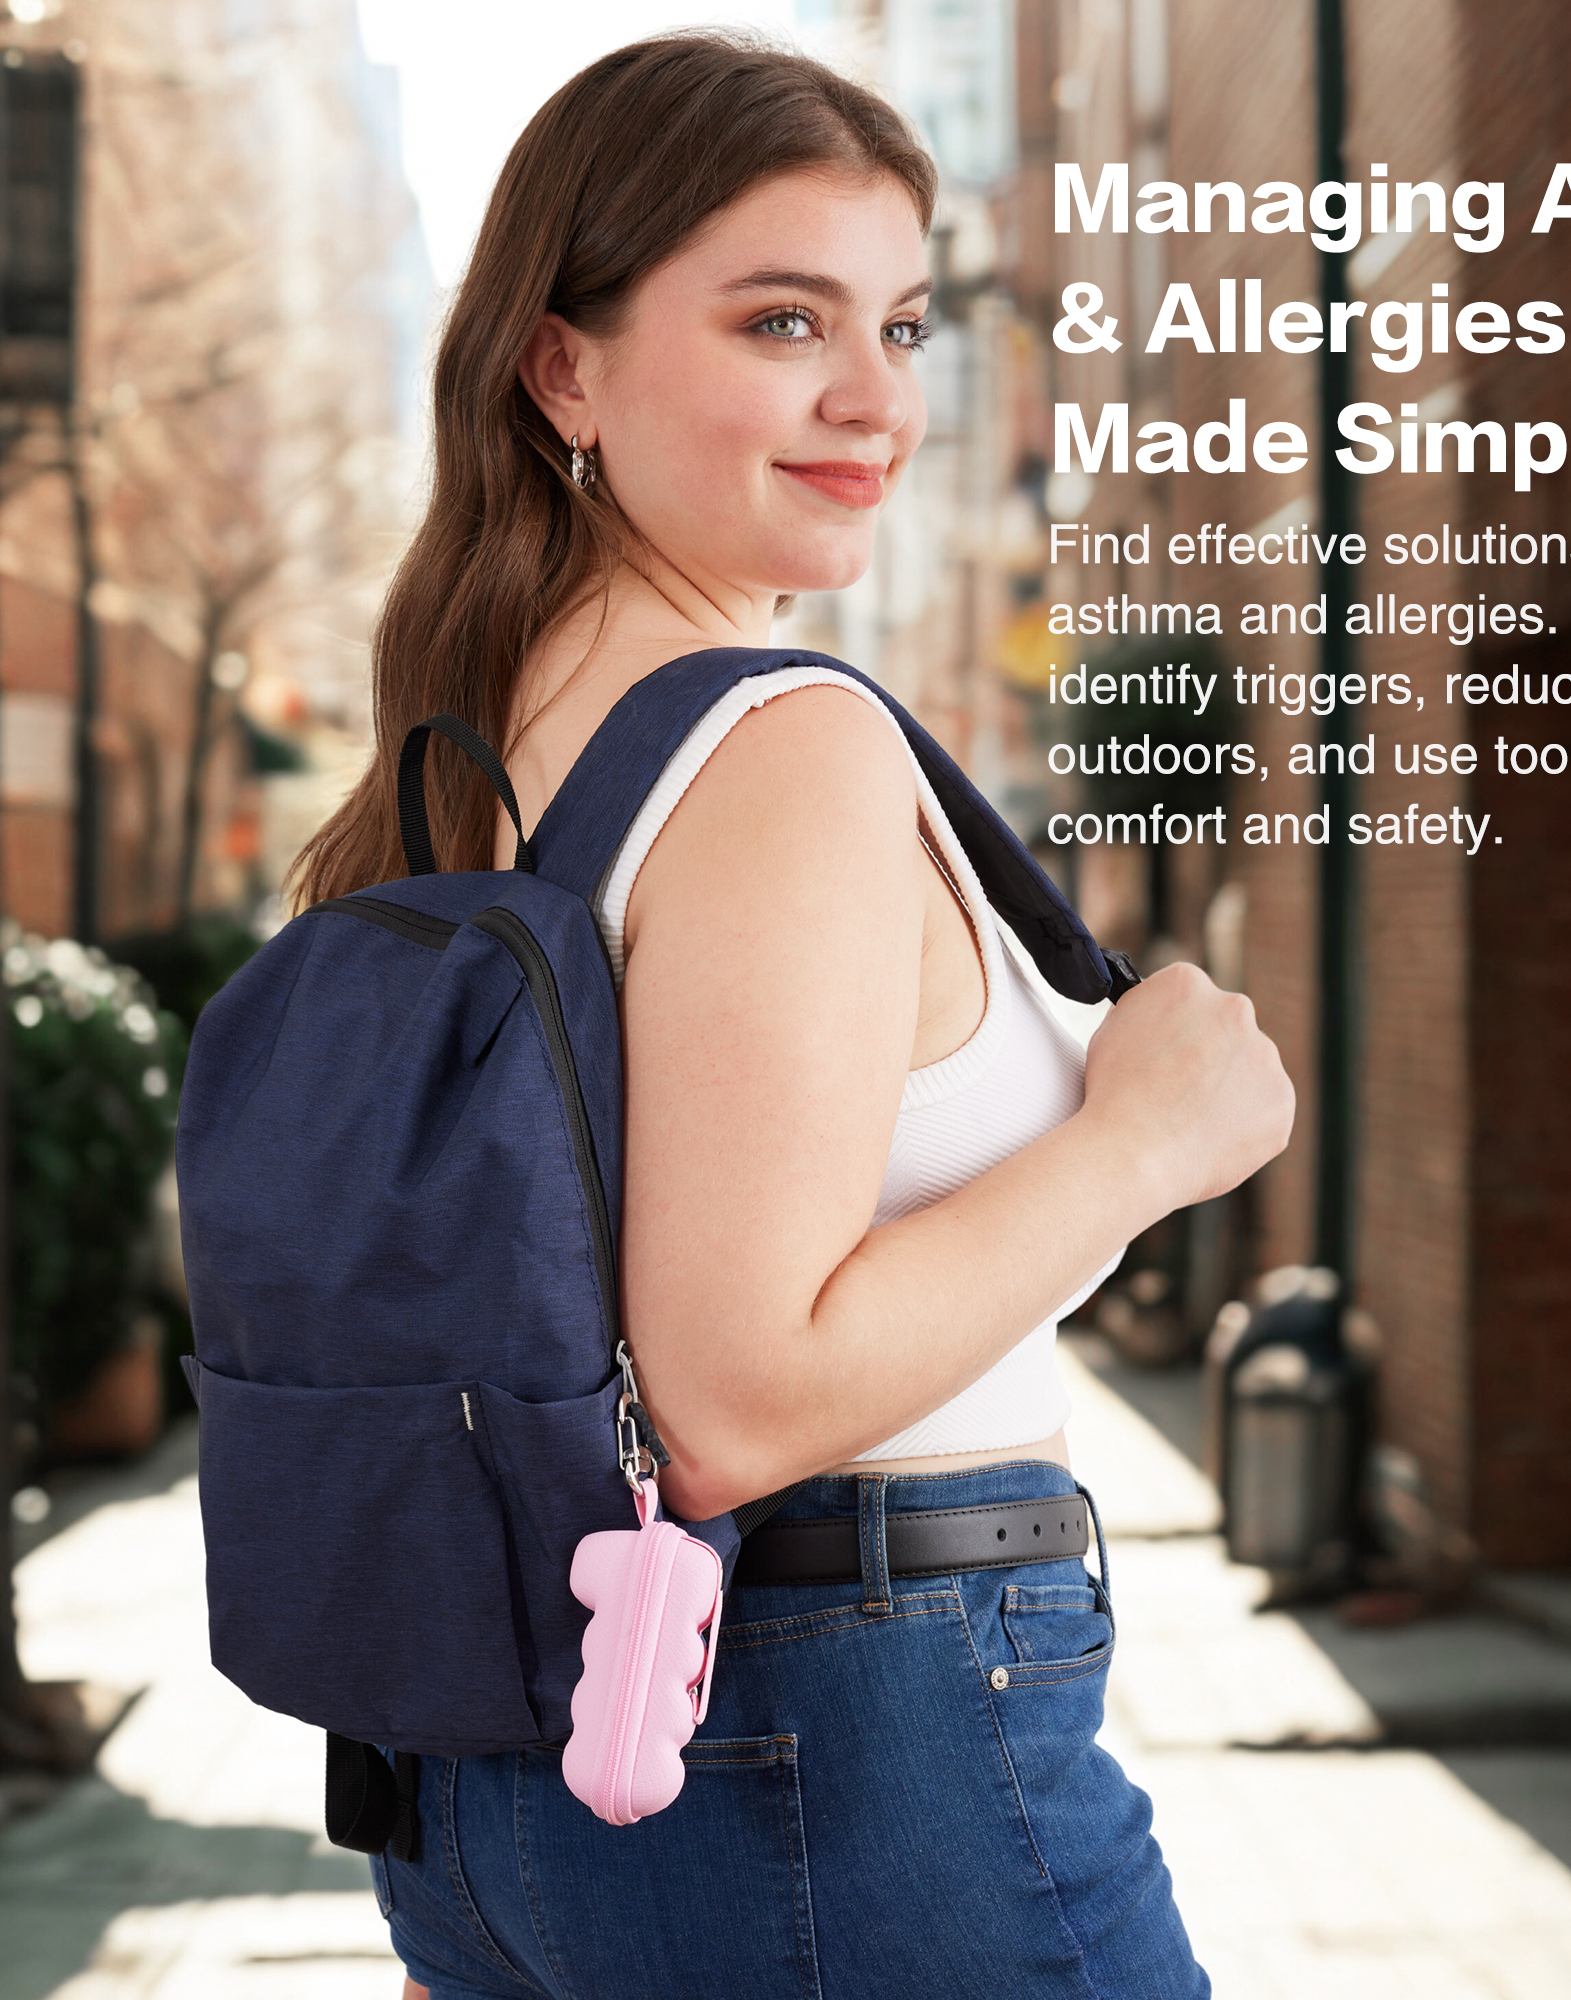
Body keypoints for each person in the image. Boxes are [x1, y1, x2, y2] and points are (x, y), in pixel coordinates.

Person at [297, 33, 1292, 2000]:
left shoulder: (471, 763)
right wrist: (1140, 1143)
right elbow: (734, 1396)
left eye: (903, 324)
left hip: (504, 1780)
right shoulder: (781, 754)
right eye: (781, 320)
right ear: (559, 363)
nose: (875, 401)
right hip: (844, 1741)